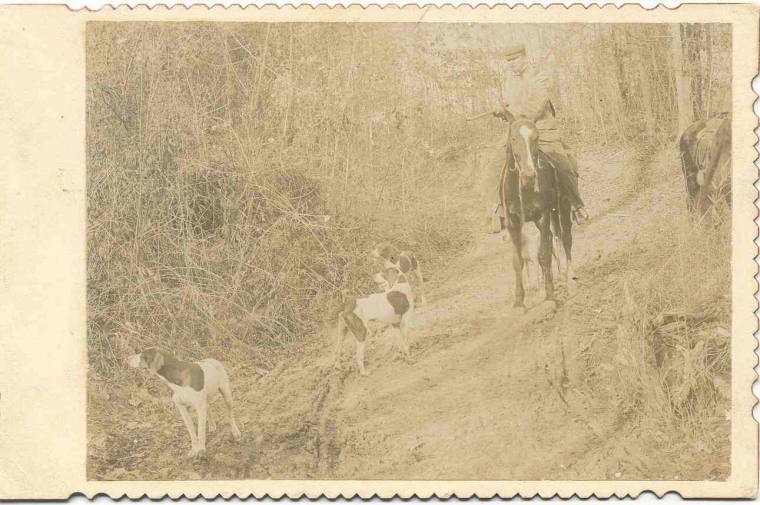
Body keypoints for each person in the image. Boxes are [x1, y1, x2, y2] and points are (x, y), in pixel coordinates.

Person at [487, 43, 588, 230]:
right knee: (495, 160)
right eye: (508, 61)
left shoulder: (539, 77)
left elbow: (536, 106)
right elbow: (509, 106)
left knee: (563, 162)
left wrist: (512, 112)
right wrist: (501, 111)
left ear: (525, 57)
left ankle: (576, 205)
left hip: (542, 130)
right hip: (518, 131)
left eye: (514, 59)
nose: (511, 64)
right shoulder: (509, 82)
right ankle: (498, 209)